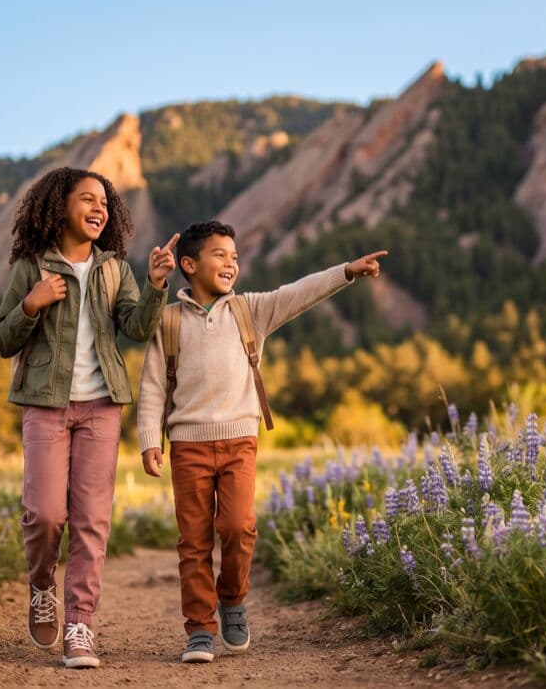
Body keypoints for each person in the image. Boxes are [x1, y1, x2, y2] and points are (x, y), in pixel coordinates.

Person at [135, 219, 386, 663]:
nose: (231, 263)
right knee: (192, 541)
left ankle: (232, 599)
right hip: (188, 446)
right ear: (189, 265)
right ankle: (199, 629)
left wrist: (345, 271)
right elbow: (153, 384)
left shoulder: (250, 310)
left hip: (239, 442)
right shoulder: (168, 320)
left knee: (238, 527)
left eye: (234, 257)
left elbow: (298, 292)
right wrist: (149, 438)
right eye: (219, 255)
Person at [0, 166, 176, 668]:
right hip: (44, 405)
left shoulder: (115, 268)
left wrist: (157, 284)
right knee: (46, 515)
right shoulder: (32, 266)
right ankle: (42, 583)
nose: (99, 209)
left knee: (92, 522)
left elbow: (135, 328)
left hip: (102, 407)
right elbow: (1, 339)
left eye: (105, 203)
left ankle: (79, 626)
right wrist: (32, 304)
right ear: (59, 207)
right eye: (87, 200)